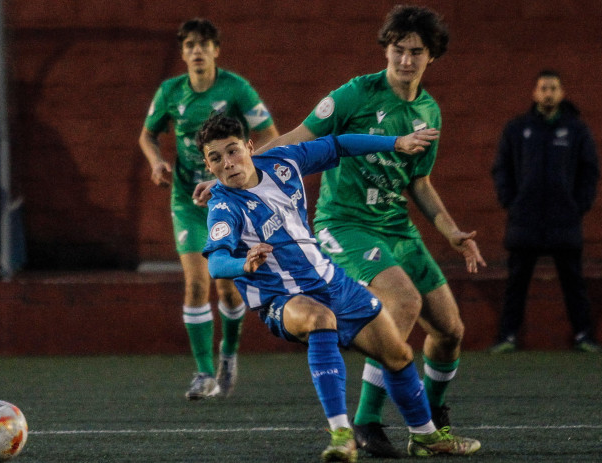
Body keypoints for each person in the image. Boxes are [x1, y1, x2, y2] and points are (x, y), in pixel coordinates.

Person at [195, 5, 485, 457]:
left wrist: (448, 229)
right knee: (388, 305)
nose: (405, 59)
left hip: (387, 232)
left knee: (442, 333)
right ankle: (353, 429)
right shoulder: (355, 94)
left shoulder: (428, 112)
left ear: (431, 57)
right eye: (397, 49)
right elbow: (298, 133)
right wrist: (227, 192)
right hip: (343, 227)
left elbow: (353, 152)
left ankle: (429, 430)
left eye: (416, 52)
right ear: (386, 49)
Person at [138, 18, 279, 400]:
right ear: (183, 53)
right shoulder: (170, 92)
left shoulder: (236, 88)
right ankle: (203, 374)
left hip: (227, 200)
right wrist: (155, 162)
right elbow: (148, 134)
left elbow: (270, 135)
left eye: (204, 44)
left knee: (228, 289)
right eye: (189, 46)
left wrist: (242, 169)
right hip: (187, 199)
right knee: (197, 282)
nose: (196, 51)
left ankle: (228, 354)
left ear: (216, 49)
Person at [490, 70, 601, 354]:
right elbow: (501, 167)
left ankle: (584, 336)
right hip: (524, 221)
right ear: (535, 93)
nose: (548, 93)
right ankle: (507, 338)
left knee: (573, 282)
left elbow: (590, 170)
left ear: (562, 93)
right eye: (543, 88)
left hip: (564, 221)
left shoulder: (576, 130)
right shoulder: (517, 129)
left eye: (553, 88)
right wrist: (511, 202)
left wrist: (579, 205)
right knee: (516, 283)